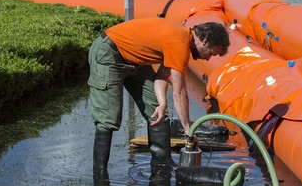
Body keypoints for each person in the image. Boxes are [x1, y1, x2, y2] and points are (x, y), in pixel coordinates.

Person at [88, 18, 230, 172]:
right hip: (110, 54)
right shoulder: (179, 44)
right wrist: (188, 129)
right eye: (210, 53)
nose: (207, 58)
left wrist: (162, 104)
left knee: (156, 111)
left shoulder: (181, 39)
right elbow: (179, 93)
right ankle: (100, 174)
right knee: (108, 118)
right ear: (204, 41)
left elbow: (162, 75)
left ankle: (162, 164)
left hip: (137, 61)